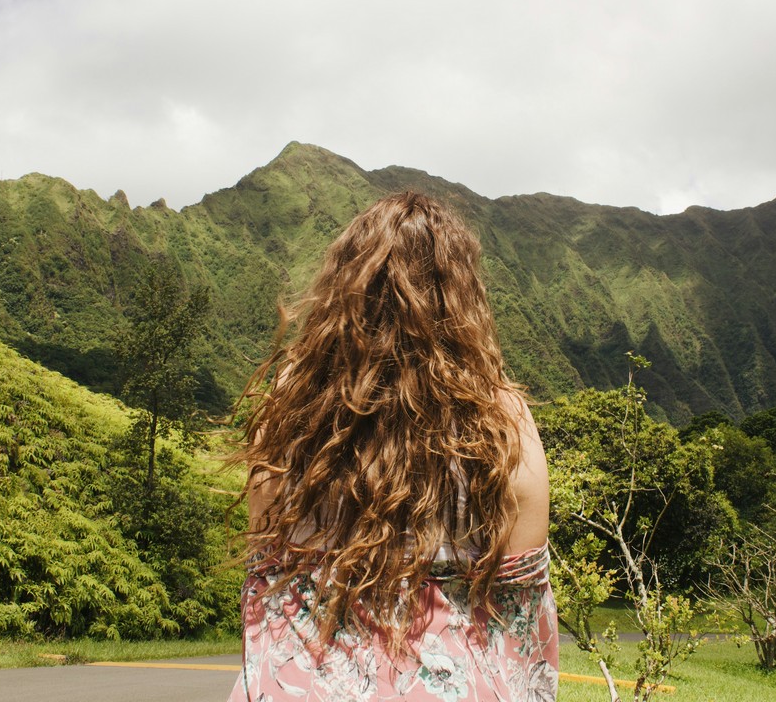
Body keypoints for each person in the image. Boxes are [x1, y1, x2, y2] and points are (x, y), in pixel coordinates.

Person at [229, 191, 557, 702]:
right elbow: (523, 608)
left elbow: (266, 562)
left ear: (344, 285)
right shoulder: (503, 416)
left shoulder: (294, 397)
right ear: (463, 296)